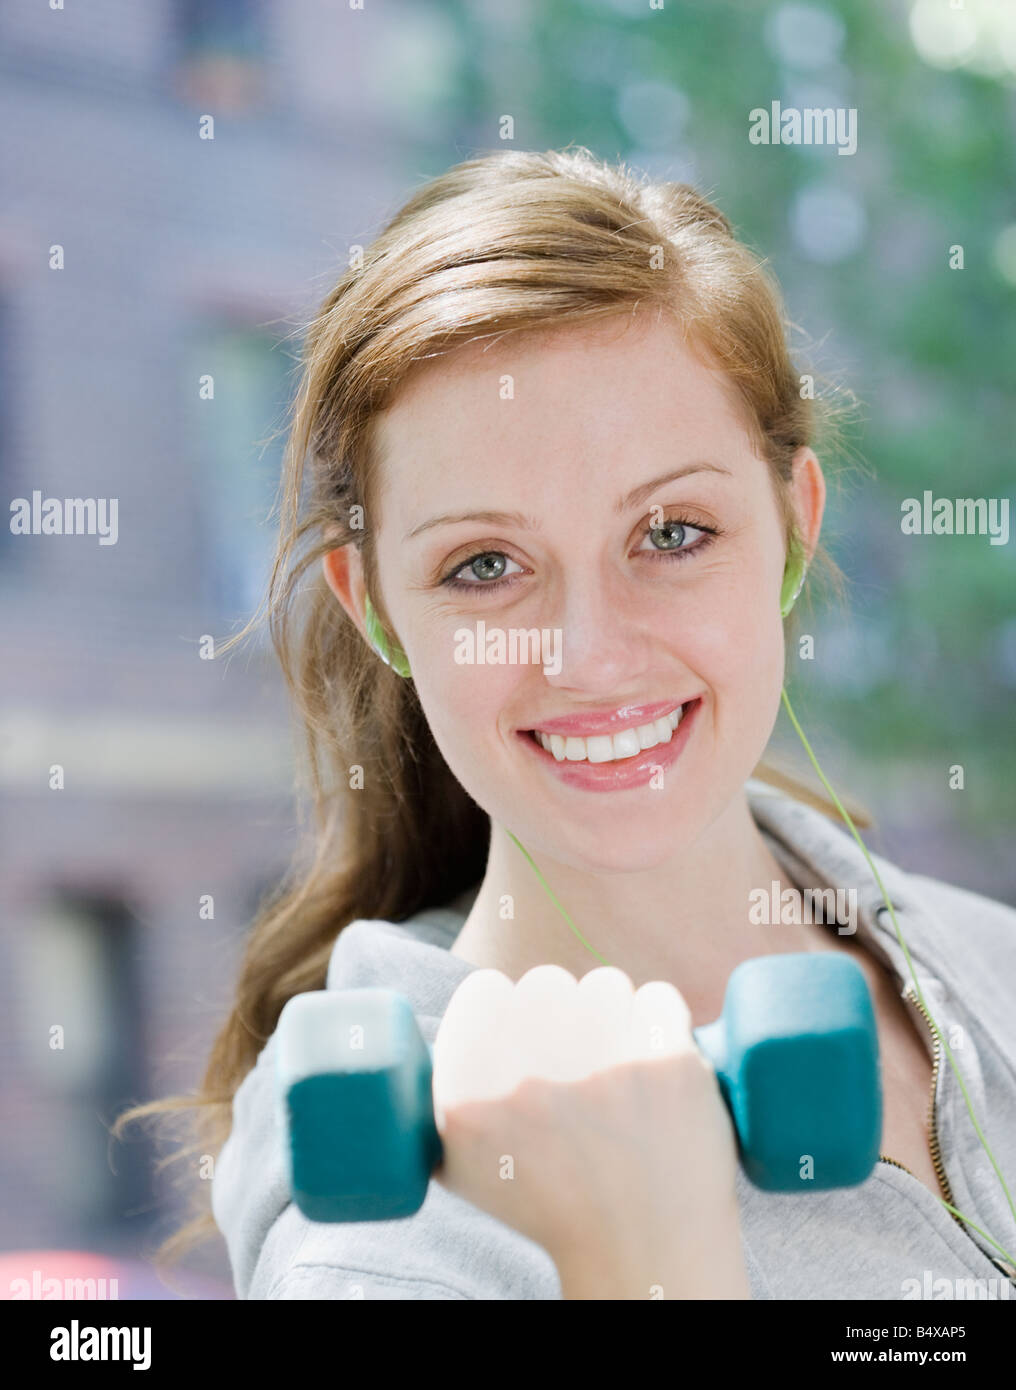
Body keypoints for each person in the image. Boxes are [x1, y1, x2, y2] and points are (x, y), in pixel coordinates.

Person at [116, 147, 1016, 1300]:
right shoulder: (385, 1244)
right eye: (485, 565)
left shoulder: (985, 960)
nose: (588, 655)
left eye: (671, 533)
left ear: (792, 526)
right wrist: (642, 1266)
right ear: (377, 607)